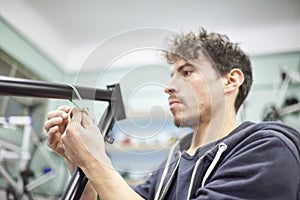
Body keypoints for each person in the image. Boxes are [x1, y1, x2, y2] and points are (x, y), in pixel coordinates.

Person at [44, 28, 300, 200]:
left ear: (230, 80)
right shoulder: (173, 161)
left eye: (187, 72)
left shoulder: (268, 148)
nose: (169, 86)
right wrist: (80, 164)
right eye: (172, 74)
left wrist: (94, 160)